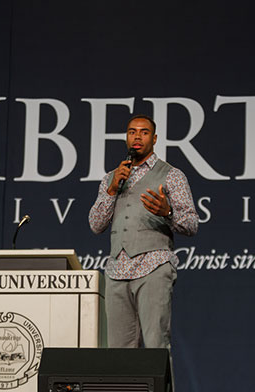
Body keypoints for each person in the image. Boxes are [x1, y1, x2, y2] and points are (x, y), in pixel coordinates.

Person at [89, 114, 199, 353]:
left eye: (144, 132)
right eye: (132, 132)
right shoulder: (112, 177)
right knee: (118, 350)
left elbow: (191, 223)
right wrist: (111, 189)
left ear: (154, 138)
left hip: (154, 266)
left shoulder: (171, 175)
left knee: (155, 346)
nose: (137, 136)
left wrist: (167, 211)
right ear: (126, 138)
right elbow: (96, 225)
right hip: (117, 270)